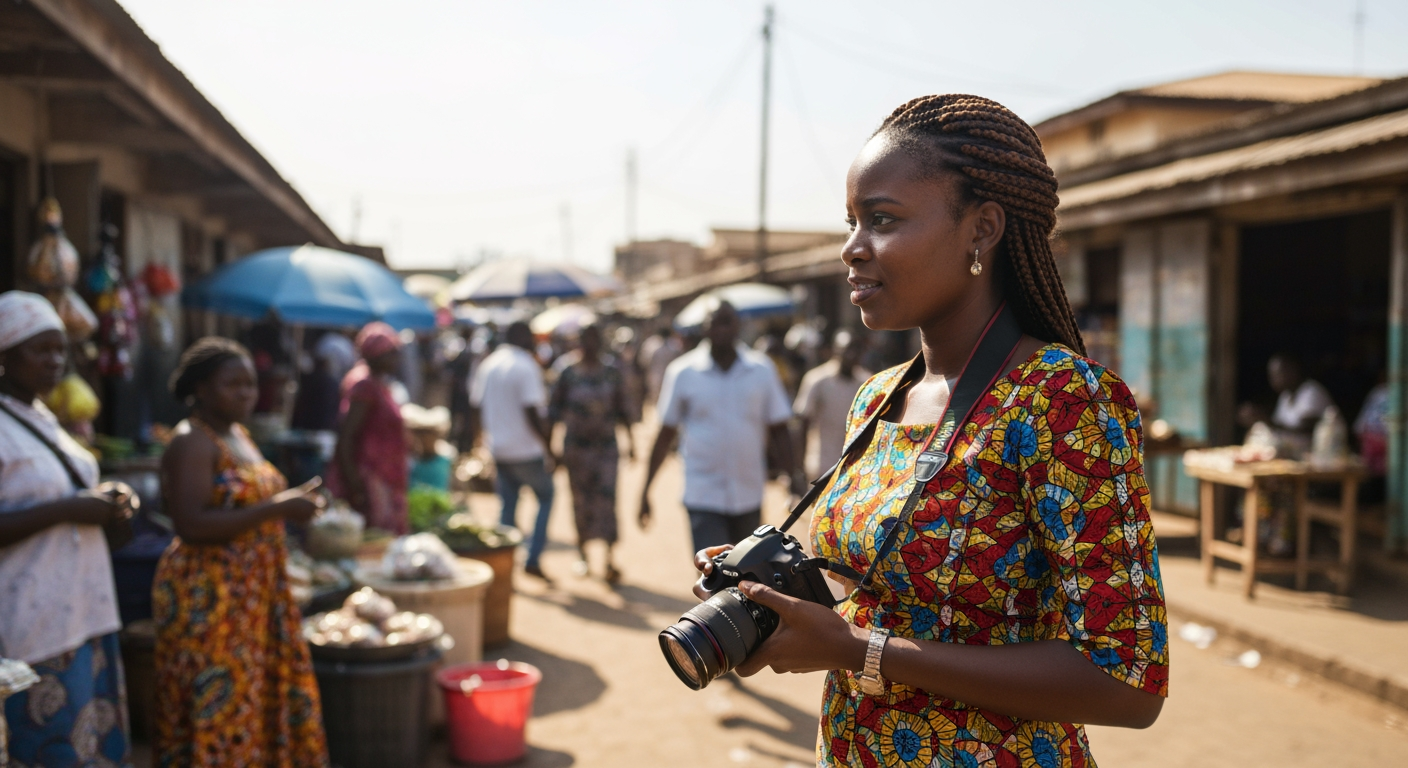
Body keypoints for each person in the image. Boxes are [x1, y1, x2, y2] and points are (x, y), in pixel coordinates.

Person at [691, 95, 1167, 766]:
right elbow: (898, 597)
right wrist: (778, 604)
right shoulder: (879, 401)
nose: (852, 249)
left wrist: (858, 651)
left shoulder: (1061, 400)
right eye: (852, 222)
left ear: (982, 229)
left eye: (882, 220)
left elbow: (1130, 682)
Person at [153, 337, 329, 766]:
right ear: (200, 388)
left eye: (251, 384)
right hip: (210, 597)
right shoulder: (192, 441)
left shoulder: (238, 434)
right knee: (222, 702)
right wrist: (279, 507)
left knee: (253, 697)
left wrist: (289, 501)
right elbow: (190, 524)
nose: (247, 393)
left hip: (252, 592)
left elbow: (247, 503)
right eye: (233, 384)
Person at [0, 291, 136, 768]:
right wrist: (68, 509)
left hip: (82, 613)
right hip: (28, 626)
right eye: (41, 350)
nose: (56, 361)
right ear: (4, 355)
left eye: (61, 349)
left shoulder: (43, 419)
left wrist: (110, 508)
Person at [639, 300, 801, 552]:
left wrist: (794, 475)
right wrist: (646, 489)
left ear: (738, 326)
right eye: (715, 323)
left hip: (748, 494)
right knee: (713, 575)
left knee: (747, 577)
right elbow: (665, 434)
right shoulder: (683, 372)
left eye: (728, 322)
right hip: (702, 494)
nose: (722, 329)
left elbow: (779, 428)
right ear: (704, 328)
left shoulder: (761, 370)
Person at [549, 324, 635, 583]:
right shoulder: (566, 371)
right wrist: (550, 449)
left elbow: (623, 408)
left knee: (607, 501)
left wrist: (632, 443)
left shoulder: (611, 372)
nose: (590, 344)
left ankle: (609, 558)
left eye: (595, 339)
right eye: (586, 339)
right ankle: (583, 554)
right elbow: (553, 410)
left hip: (606, 448)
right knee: (580, 502)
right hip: (576, 449)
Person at [470, 321, 555, 579]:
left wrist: (480, 440)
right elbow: (532, 412)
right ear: (522, 337)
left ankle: (502, 563)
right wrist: (549, 446)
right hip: (525, 450)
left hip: (498, 448)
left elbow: (475, 406)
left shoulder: (489, 364)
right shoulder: (526, 365)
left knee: (507, 506)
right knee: (546, 496)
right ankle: (533, 556)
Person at [328, 322, 410, 534]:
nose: (396, 358)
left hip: (384, 476)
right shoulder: (364, 385)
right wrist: (355, 484)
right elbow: (346, 436)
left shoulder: (378, 383)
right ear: (377, 355)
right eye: (391, 353)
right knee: (375, 539)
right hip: (370, 478)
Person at [794, 330, 871, 477]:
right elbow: (802, 424)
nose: (851, 355)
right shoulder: (817, 380)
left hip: (855, 469)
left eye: (856, 350)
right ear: (836, 351)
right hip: (822, 466)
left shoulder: (867, 382)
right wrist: (799, 468)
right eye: (847, 350)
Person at [1269, 353, 1334, 435]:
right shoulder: (1285, 396)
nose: (1274, 381)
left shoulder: (1312, 391)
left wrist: (1268, 423)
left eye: (1277, 375)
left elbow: (1307, 431)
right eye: (1272, 376)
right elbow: (1278, 423)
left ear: (1293, 370)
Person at [404, 403, 455, 491]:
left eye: (429, 433)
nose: (425, 438)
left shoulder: (446, 460)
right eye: (421, 433)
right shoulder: (411, 461)